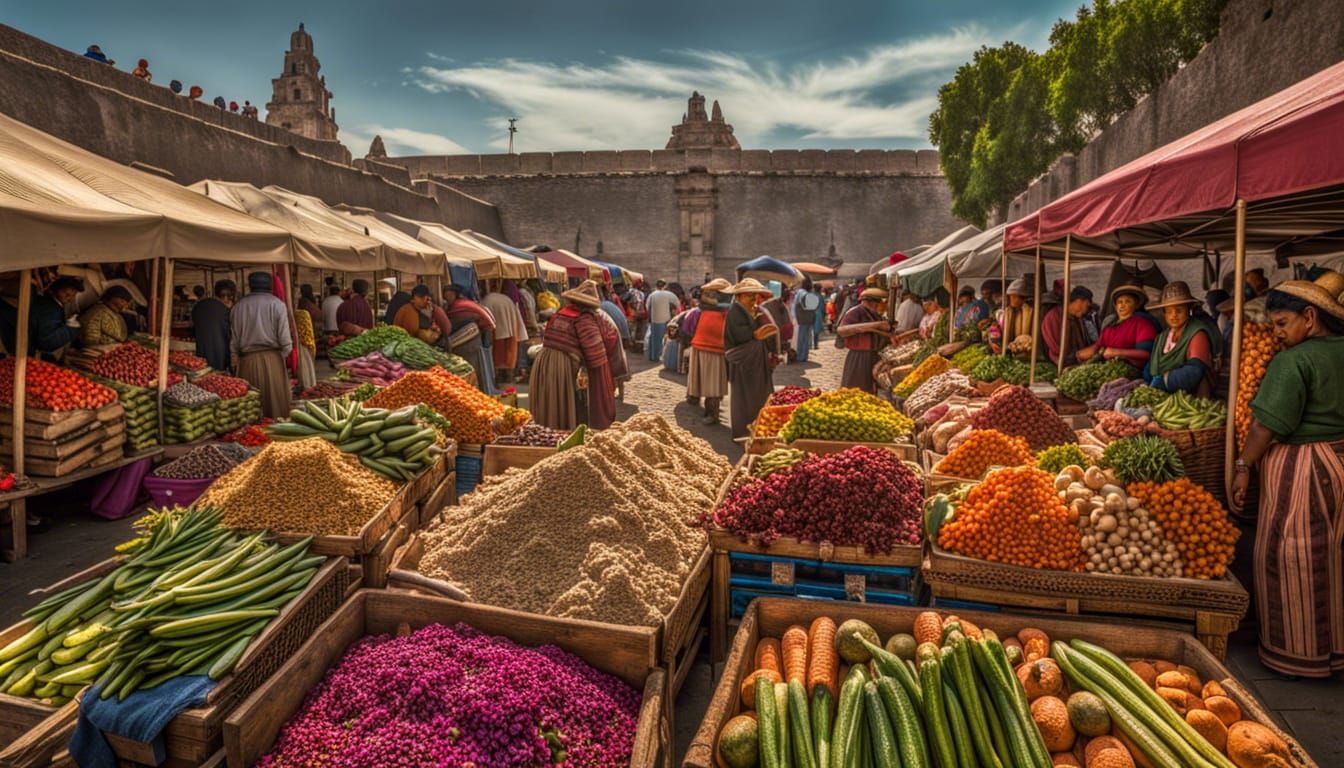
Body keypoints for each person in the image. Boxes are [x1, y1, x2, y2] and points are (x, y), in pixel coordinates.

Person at [1231, 270, 1344, 678]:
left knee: (1290, 554)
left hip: (1305, 470)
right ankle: (1337, 651)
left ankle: (1298, 654)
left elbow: (1265, 425)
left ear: (1310, 318)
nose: (1276, 333)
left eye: (1282, 323)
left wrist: (1243, 465)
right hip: (1341, 461)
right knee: (1335, 557)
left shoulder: (1294, 359)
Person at [529, 280, 615, 430]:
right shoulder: (584, 319)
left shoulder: (559, 315)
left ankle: (547, 434)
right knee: (563, 403)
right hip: (562, 365)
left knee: (549, 403)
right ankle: (563, 434)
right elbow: (595, 354)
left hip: (544, 362)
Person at [230, 273, 292, 418]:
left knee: (251, 408)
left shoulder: (238, 306)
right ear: (269, 286)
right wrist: (279, 357)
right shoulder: (277, 304)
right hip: (273, 359)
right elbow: (286, 340)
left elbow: (234, 341)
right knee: (276, 408)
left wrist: (235, 360)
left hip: (247, 361)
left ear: (250, 286)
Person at [722, 278, 777, 438]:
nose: (753, 299)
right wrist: (754, 333)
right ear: (739, 297)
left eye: (754, 295)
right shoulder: (735, 312)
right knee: (745, 396)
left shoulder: (750, 310)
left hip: (755, 359)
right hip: (744, 361)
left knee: (758, 393)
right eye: (749, 295)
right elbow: (738, 335)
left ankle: (758, 426)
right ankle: (743, 431)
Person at [1143, 282, 1216, 396]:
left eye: (1179, 310)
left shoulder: (1197, 333)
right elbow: (1153, 363)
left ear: (1188, 310)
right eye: (1169, 311)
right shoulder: (1162, 337)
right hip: (1162, 395)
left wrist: (1165, 380)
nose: (1174, 315)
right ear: (1164, 313)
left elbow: (1194, 372)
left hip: (1189, 397)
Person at [680, 278, 731, 423]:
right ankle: (697, 400)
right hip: (703, 348)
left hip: (716, 350)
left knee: (712, 384)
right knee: (706, 380)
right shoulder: (700, 312)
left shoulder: (725, 313)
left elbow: (687, 330)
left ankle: (711, 413)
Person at [1075, 285, 1158, 372]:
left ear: (1136, 305)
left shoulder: (1142, 323)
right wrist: (1078, 355)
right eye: (1119, 302)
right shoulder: (1109, 326)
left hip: (1132, 371)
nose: (1122, 305)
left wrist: (1117, 352)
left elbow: (1146, 354)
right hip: (1108, 369)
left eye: (1127, 301)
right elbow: (1098, 347)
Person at [442, 284, 498, 395]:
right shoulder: (463, 303)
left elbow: (451, 325)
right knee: (482, 360)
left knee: (478, 361)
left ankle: (479, 389)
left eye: (449, 295)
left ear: (455, 294)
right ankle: (484, 387)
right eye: (445, 295)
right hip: (484, 328)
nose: (447, 298)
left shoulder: (457, 307)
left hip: (482, 330)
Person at [838, 287, 893, 393]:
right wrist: (874, 325)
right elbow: (842, 330)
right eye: (877, 303)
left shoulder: (874, 314)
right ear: (869, 301)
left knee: (869, 386)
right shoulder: (855, 312)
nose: (878, 306)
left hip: (873, 354)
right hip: (859, 356)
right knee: (856, 386)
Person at [481, 282, 526, 385]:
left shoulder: (486, 300)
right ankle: (508, 377)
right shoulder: (507, 299)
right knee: (508, 355)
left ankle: (496, 378)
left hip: (495, 330)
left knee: (496, 356)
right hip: (510, 330)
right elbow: (516, 316)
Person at [1041, 286, 1095, 366]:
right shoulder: (1054, 316)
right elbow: (1057, 349)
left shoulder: (1077, 318)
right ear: (1080, 301)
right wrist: (1078, 355)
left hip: (1077, 360)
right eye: (1087, 305)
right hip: (1061, 361)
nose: (1087, 309)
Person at [191, 280, 234, 372]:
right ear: (227, 297)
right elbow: (228, 332)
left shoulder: (199, 305)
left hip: (200, 350)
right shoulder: (224, 310)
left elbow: (193, 326)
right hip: (220, 353)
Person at [645, 279, 680, 363]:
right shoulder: (669, 294)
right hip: (665, 319)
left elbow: (647, 306)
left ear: (656, 286)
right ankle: (658, 357)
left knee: (653, 338)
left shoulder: (652, 295)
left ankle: (652, 356)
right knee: (662, 339)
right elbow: (677, 304)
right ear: (665, 286)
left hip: (654, 319)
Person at [791, 279, 822, 363]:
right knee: (806, 337)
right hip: (809, 317)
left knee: (801, 337)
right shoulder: (810, 293)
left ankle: (800, 356)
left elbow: (797, 304)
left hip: (801, 318)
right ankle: (804, 356)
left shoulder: (801, 292)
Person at [998, 278, 1035, 350]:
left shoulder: (1031, 312)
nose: (1012, 300)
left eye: (1015, 297)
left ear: (1024, 298)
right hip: (1011, 348)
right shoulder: (1008, 312)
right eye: (1010, 297)